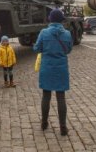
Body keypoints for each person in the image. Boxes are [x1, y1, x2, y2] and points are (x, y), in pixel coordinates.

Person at [33, 8, 73, 136]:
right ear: (61, 20)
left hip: (47, 68)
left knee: (46, 96)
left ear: (50, 19)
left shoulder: (44, 32)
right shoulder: (67, 34)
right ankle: (63, 127)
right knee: (61, 98)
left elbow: (37, 48)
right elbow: (68, 50)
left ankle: (44, 123)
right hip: (61, 69)